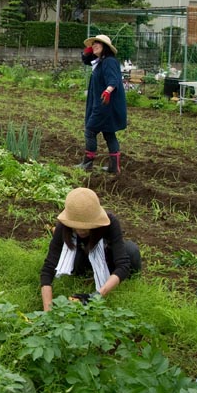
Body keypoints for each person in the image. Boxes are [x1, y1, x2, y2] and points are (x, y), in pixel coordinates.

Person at [39, 187, 141, 311]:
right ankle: (87, 275)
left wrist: (97, 296)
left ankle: (111, 280)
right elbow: (48, 268)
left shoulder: (110, 223)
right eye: (76, 226)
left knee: (131, 251)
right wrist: (47, 309)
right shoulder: (63, 227)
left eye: (86, 226)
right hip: (83, 258)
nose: (81, 230)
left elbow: (123, 265)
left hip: (107, 258)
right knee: (76, 260)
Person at [78, 35, 127, 175]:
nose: (95, 45)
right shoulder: (100, 62)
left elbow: (114, 79)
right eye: (93, 43)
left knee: (90, 130)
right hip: (103, 104)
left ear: (106, 47)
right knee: (109, 133)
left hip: (105, 105)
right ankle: (114, 167)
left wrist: (107, 91)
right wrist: (87, 52)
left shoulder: (109, 62)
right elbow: (87, 60)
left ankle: (87, 163)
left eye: (98, 43)